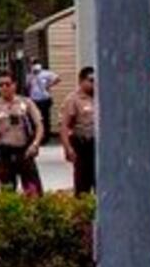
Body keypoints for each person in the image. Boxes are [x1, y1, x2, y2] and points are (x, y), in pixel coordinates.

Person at [0, 70, 44, 196]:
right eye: (0, 85)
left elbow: (39, 125)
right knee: (8, 193)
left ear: (14, 85)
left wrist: (35, 144)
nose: (4, 88)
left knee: (34, 191)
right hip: (4, 154)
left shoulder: (26, 103)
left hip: (25, 151)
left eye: (7, 84)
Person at [57, 66, 98, 196]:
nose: (94, 83)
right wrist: (68, 148)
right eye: (91, 80)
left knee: (101, 183)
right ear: (81, 81)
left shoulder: (101, 97)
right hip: (82, 145)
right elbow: (64, 126)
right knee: (82, 184)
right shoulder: (73, 99)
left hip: (99, 145)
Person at [27, 62, 57, 142]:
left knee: (44, 118)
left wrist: (48, 85)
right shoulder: (30, 75)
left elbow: (57, 78)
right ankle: (36, 136)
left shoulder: (45, 73)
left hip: (44, 99)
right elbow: (28, 85)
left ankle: (45, 136)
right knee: (35, 118)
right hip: (34, 99)